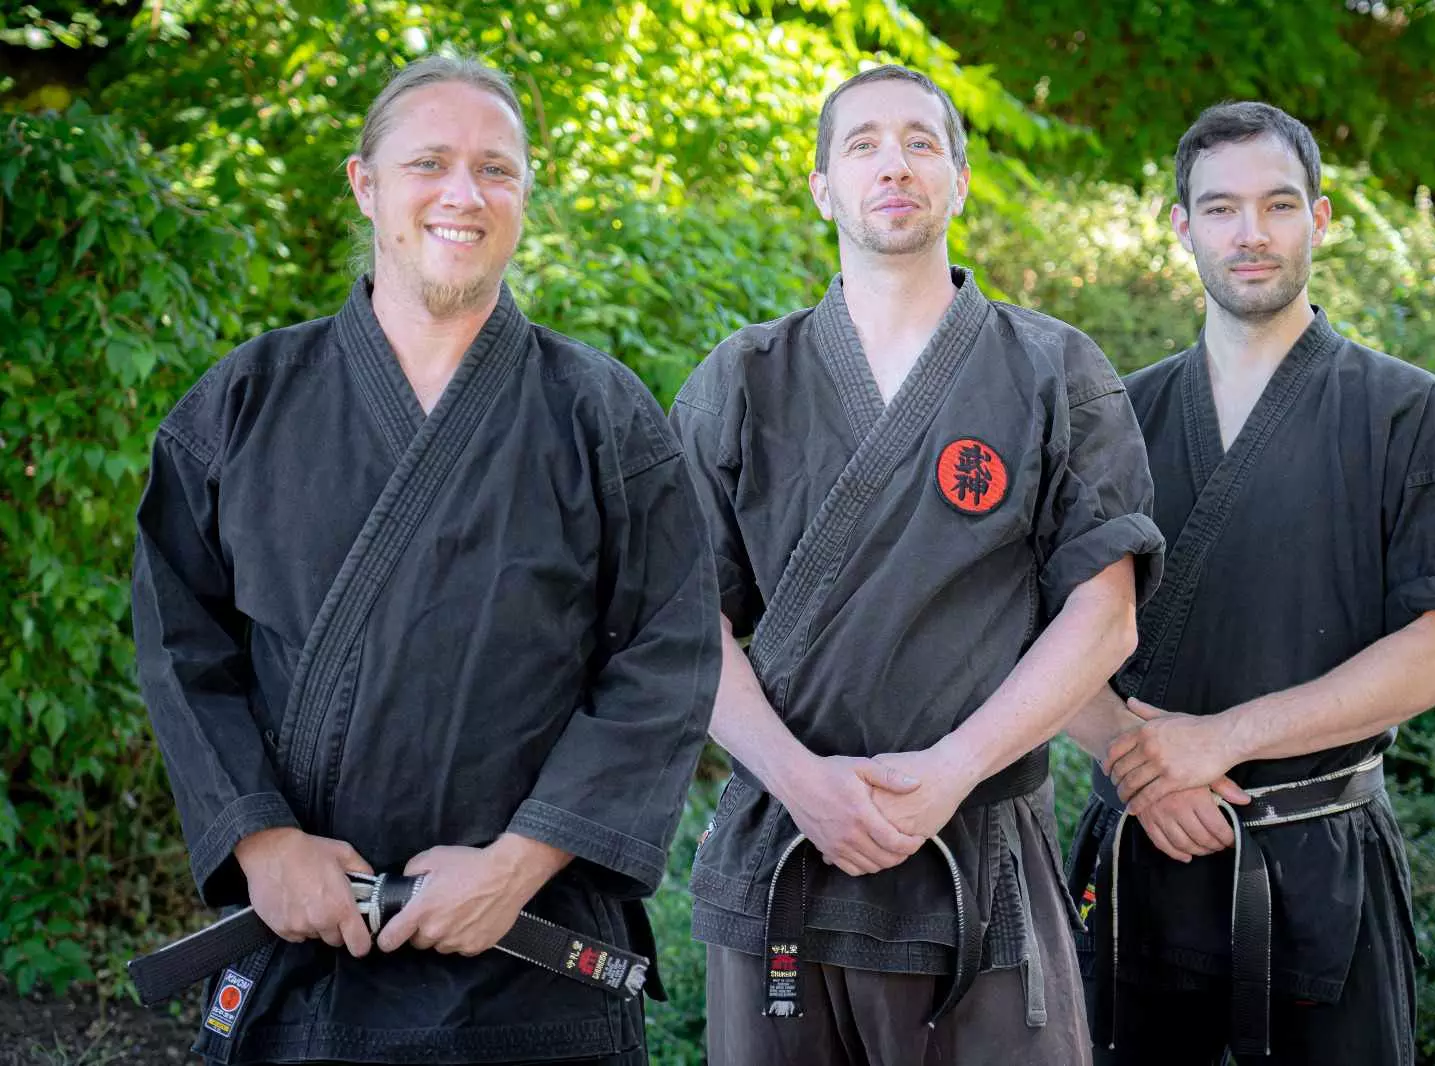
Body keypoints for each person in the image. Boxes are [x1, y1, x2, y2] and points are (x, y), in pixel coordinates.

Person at [131, 55, 719, 1065]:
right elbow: (181, 644)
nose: (464, 193)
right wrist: (261, 841)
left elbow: (664, 659)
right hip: (308, 952)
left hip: (529, 957)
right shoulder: (244, 404)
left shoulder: (599, 414)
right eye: (429, 163)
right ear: (365, 184)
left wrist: (519, 862)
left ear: (524, 196)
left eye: (496, 169)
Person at [668, 64, 1166, 1065]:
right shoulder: (744, 380)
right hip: (784, 859)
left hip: (976, 861)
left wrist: (952, 768)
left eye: (919, 142)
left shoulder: (1052, 369)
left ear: (960, 180)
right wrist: (799, 780)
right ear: (823, 190)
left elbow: (1104, 617)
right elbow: (679, 624)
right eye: (862, 146)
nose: (892, 165)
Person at [1062, 101, 1435, 1066]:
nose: (1250, 233)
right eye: (1221, 209)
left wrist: (1219, 740)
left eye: (1279, 205)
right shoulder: (1117, 416)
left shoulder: (1407, 411)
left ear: (1320, 219)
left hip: (1321, 861)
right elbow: (1045, 631)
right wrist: (1142, 766)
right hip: (1141, 857)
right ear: (1182, 227)